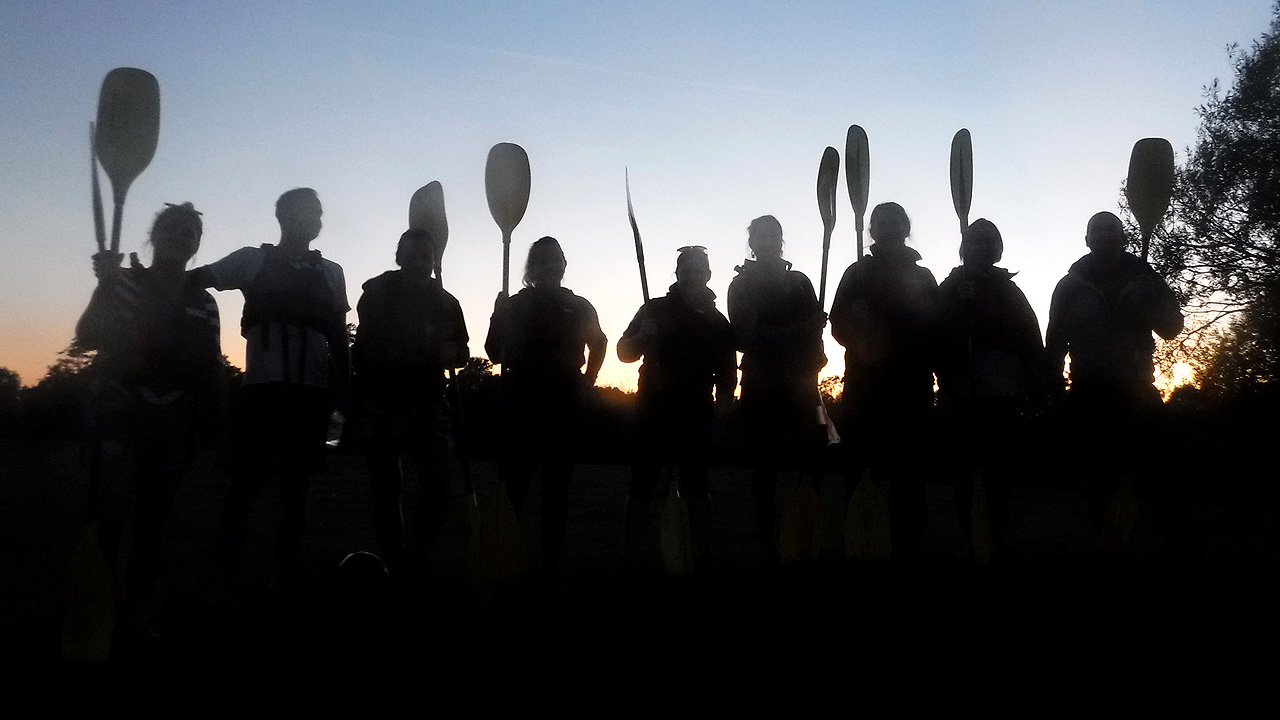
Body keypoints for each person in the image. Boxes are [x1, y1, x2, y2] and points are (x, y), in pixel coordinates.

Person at [192, 188, 350, 599]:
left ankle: (281, 579)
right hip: (261, 390)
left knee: (298, 490)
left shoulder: (331, 271)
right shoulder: (252, 259)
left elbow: (338, 335)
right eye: (309, 212)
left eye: (319, 212)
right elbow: (195, 280)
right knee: (242, 486)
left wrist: (344, 393)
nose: (317, 219)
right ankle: (220, 578)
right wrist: (136, 280)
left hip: (311, 394)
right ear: (283, 216)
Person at [76, 202, 223, 634]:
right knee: (111, 516)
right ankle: (99, 610)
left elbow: (212, 366)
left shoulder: (205, 303)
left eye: (190, 232)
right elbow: (87, 335)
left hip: (175, 419)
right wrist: (104, 286)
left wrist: (222, 429)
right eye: (173, 228)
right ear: (154, 235)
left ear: (197, 245)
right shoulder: (121, 282)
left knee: (153, 526)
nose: (182, 235)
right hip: (121, 410)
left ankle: (136, 615)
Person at [1045, 211, 1183, 535]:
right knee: (1098, 479)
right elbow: (1054, 347)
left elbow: (1172, 327)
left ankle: (1180, 548)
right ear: (1087, 240)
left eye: (1112, 229)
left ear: (1123, 238)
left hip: (1138, 392)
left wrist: (1152, 306)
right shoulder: (1069, 286)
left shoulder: (1145, 278)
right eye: (1098, 229)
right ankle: (1106, 549)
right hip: (1089, 394)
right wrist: (1055, 395)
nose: (1105, 234)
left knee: (1162, 475)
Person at [484, 237, 607, 573]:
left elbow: (600, 342)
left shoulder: (580, 306)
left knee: (557, 489)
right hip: (521, 399)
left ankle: (550, 563)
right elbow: (495, 353)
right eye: (543, 262)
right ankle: (505, 558)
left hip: (565, 401)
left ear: (564, 266)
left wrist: (589, 379)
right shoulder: (514, 305)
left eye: (556, 261)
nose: (550, 267)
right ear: (532, 268)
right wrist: (498, 315)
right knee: (515, 485)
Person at [352, 228, 468, 576]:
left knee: (438, 485)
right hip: (383, 400)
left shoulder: (448, 302)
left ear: (434, 261)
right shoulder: (376, 293)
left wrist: (453, 351)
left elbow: (462, 352)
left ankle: (419, 555)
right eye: (413, 255)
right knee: (387, 489)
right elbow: (374, 343)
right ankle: (393, 562)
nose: (420, 262)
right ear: (399, 256)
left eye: (427, 256)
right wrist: (429, 343)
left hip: (428, 401)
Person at [616, 246, 737, 571]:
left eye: (699, 269)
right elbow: (623, 352)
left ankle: (703, 553)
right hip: (651, 411)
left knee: (697, 487)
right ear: (678, 273)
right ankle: (631, 556)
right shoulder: (653, 309)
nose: (692, 274)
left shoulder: (717, 323)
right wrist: (643, 336)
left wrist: (718, 421)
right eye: (687, 268)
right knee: (641, 485)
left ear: (708, 275)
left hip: (696, 413)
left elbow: (728, 379)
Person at [829, 202, 938, 559]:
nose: (888, 227)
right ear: (871, 230)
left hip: (911, 387)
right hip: (865, 388)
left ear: (905, 227)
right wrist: (852, 321)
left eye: (895, 222)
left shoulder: (923, 278)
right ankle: (863, 541)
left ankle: (907, 547)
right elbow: (838, 325)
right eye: (880, 222)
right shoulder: (856, 273)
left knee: (910, 475)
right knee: (862, 470)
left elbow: (937, 329)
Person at [935, 219, 1044, 562]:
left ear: (997, 250)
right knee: (965, 472)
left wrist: (1036, 385)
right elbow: (933, 335)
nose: (982, 248)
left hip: (1003, 393)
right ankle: (970, 538)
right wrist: (957, 303)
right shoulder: (949, 288)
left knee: (1000, 474)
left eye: (988, 242)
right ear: (965, 248)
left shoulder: (1011, 292)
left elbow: (1030, 340)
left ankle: (995, 537)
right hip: (962, 392)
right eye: (976, 242)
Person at [726, 215, 827, 562]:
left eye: (774, 236)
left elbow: (816, 335)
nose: (767, 241)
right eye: (761, 236)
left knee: (814, 462)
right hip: (761, 388)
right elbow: (746, 337)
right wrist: (803, 331)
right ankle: (769, 543)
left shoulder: (800, 282)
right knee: (765, 468)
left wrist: (817, 351)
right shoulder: (741, 286)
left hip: (803, 388)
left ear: (781, 241)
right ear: (752, 243)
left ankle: (804, 534)